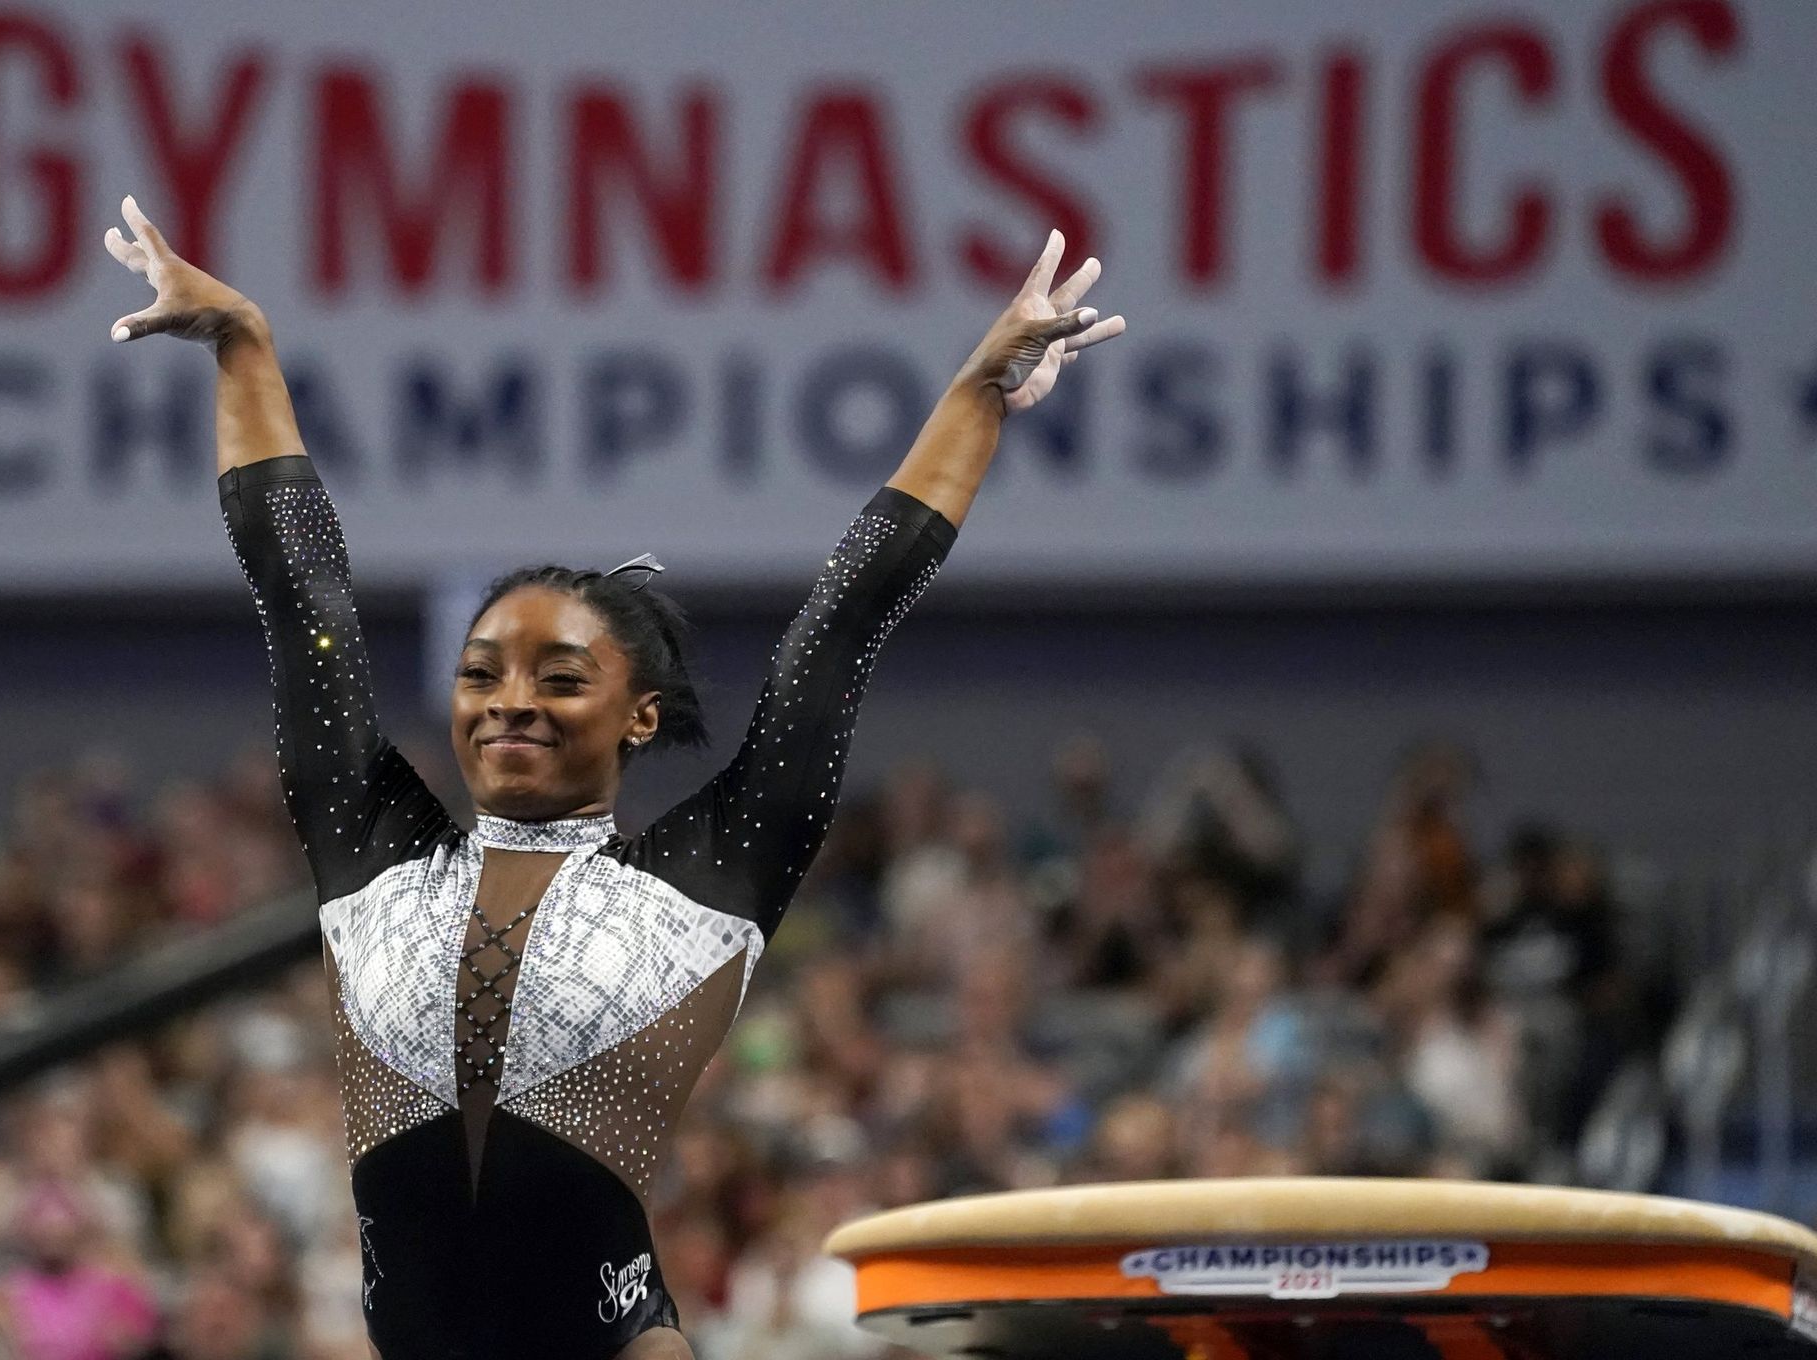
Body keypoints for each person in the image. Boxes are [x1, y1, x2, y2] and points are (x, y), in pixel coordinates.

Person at [103, 194, 1123, 1359]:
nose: (512, 699)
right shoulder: (373, 859)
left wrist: (978, 392)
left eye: (560, 675)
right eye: (483, 672)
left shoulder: (701, 888)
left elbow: (840, 627)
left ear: (641, 714)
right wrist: (245, 344)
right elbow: (301, 593)